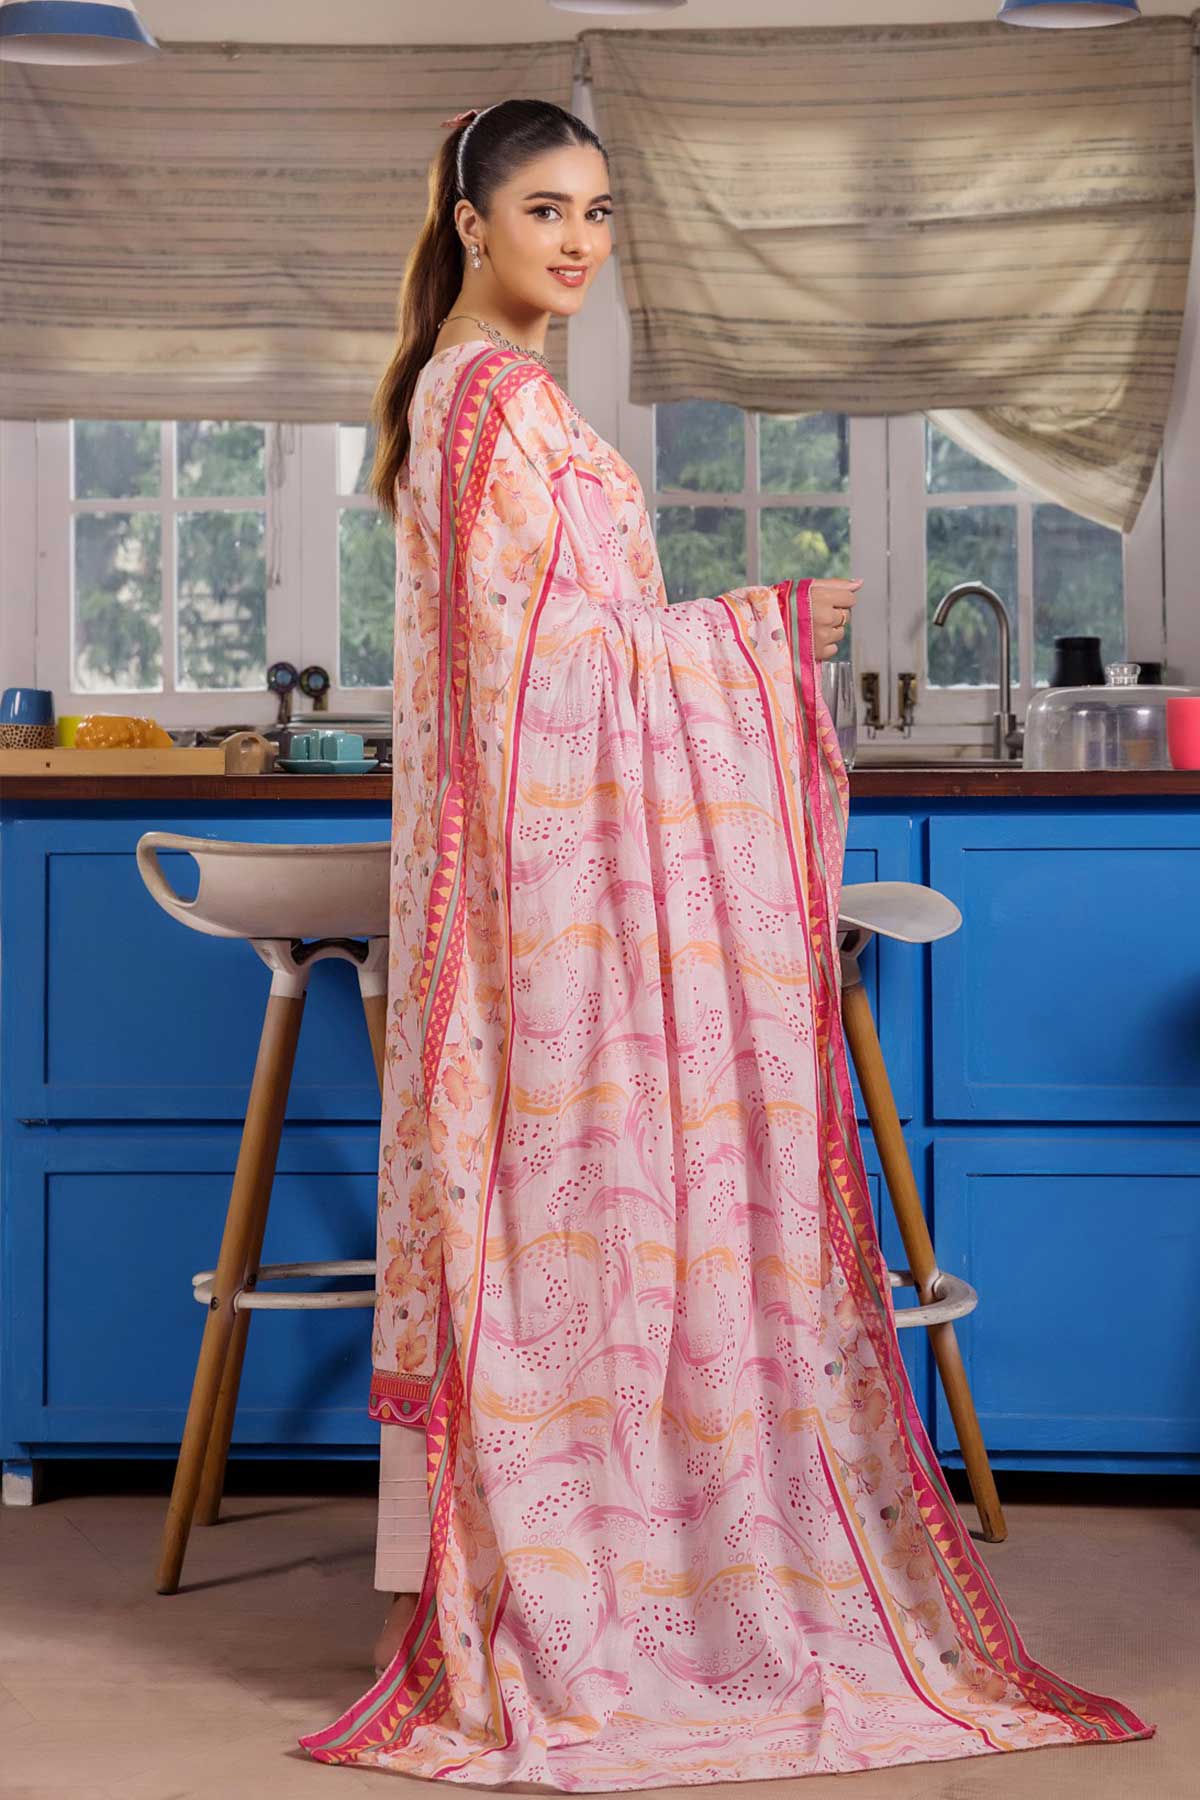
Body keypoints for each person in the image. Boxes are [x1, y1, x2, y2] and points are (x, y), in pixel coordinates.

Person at [302, 98, 1152, 1788]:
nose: (579, 243)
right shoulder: (492, 400)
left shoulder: (486, 395)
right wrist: (763, 631)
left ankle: (632, 1573)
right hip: (549, 902)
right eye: (545, 210)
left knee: (596, 1225)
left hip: (551, 889)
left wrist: (714, 634)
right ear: (469, 225)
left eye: (600, 212)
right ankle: (608, 1601)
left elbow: (578, 641)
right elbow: (544, 674)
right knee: (591, 1218)